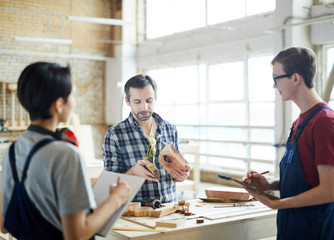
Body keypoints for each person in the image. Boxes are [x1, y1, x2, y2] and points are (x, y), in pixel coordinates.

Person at [0, 62, 131, 240]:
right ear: (59, 104)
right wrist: (116, 199)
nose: (74, 102)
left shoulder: (12, 151)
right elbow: (76, 235)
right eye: (72, 95)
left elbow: (4, 225)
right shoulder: (66, 154)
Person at [244, 47, 334, 240]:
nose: (274, 85)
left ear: (295, 78)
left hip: (317, 229)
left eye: (276, 78)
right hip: (293, 225)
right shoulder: (299, 122)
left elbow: (329, 191)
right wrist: (270, 185)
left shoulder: (325, 122)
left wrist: (276, 203)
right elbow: (307, 179)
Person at [102, 74, 191, 203]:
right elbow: (109, 184)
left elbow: (174, 171)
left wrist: (181, 175)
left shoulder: (170, 129)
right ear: (127, 101)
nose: (144, 107)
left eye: (149, 101)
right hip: (137, 212)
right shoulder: (114, 135)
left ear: (155, 98)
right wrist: (132, 172)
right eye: (137, 102)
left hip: (170, 209)